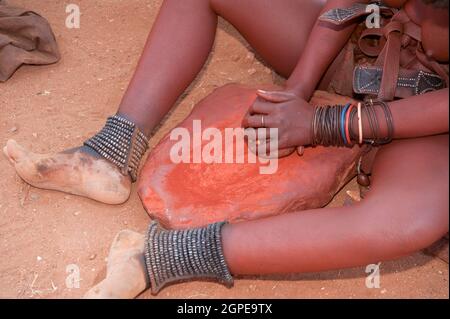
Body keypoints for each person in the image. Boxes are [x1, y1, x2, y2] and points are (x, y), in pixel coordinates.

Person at [3, 0, 448, 298]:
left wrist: (323, 123)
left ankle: (155, 256)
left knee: (411, 221)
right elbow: (344, 6)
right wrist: (295, 91)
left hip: (424, 124)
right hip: (362, 48)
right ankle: (109, 152)